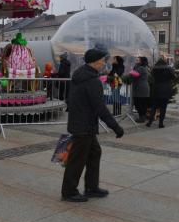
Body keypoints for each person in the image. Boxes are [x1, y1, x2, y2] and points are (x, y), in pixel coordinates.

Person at [61, 47, 124, 202]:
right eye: (103, 60)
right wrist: (115, 126)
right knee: (77, 159)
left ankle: (91, 187)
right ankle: (69, 191)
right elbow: (99, 107)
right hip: (84, 126)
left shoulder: (81, 75)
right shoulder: (91, 81)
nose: (104, 63)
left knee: (94, 153)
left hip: (81, 123)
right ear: (95, 61)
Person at [146, 57, 176, 128]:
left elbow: (151, 77)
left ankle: (149, 122)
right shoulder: (168, 68)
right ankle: (161, 123)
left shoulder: (154, 69)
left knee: (154, 106)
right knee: (163, 107)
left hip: (156, 89)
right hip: (165, 90)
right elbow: (173, 77)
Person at [132, 56, 150, 122]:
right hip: (143, 88)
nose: (136, 61)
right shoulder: (143, 67)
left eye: (137, 60)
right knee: (142, 103)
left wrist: (130, 73)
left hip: (140, 88)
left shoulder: (140, 68)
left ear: (141, 61)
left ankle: (141, 117)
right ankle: (142, 117)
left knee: (138, 103)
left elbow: (133, 75)